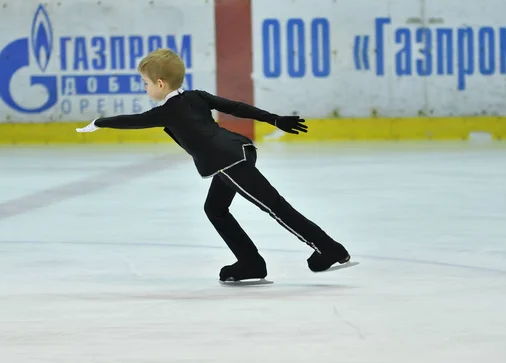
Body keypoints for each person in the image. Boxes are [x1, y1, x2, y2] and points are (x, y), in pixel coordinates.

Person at [76, 48, 350, 282]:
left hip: (228, 161)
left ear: (160, 84)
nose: (144, 88)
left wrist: (100, 122)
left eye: (145, 83)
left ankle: (328, 248)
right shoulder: (195, 96)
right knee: (215, 209)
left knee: (274, 206)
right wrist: (272, 119)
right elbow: (235, 107)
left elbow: (132, 121)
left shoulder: (167, 111)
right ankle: (250, 263)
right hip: (238, 151)